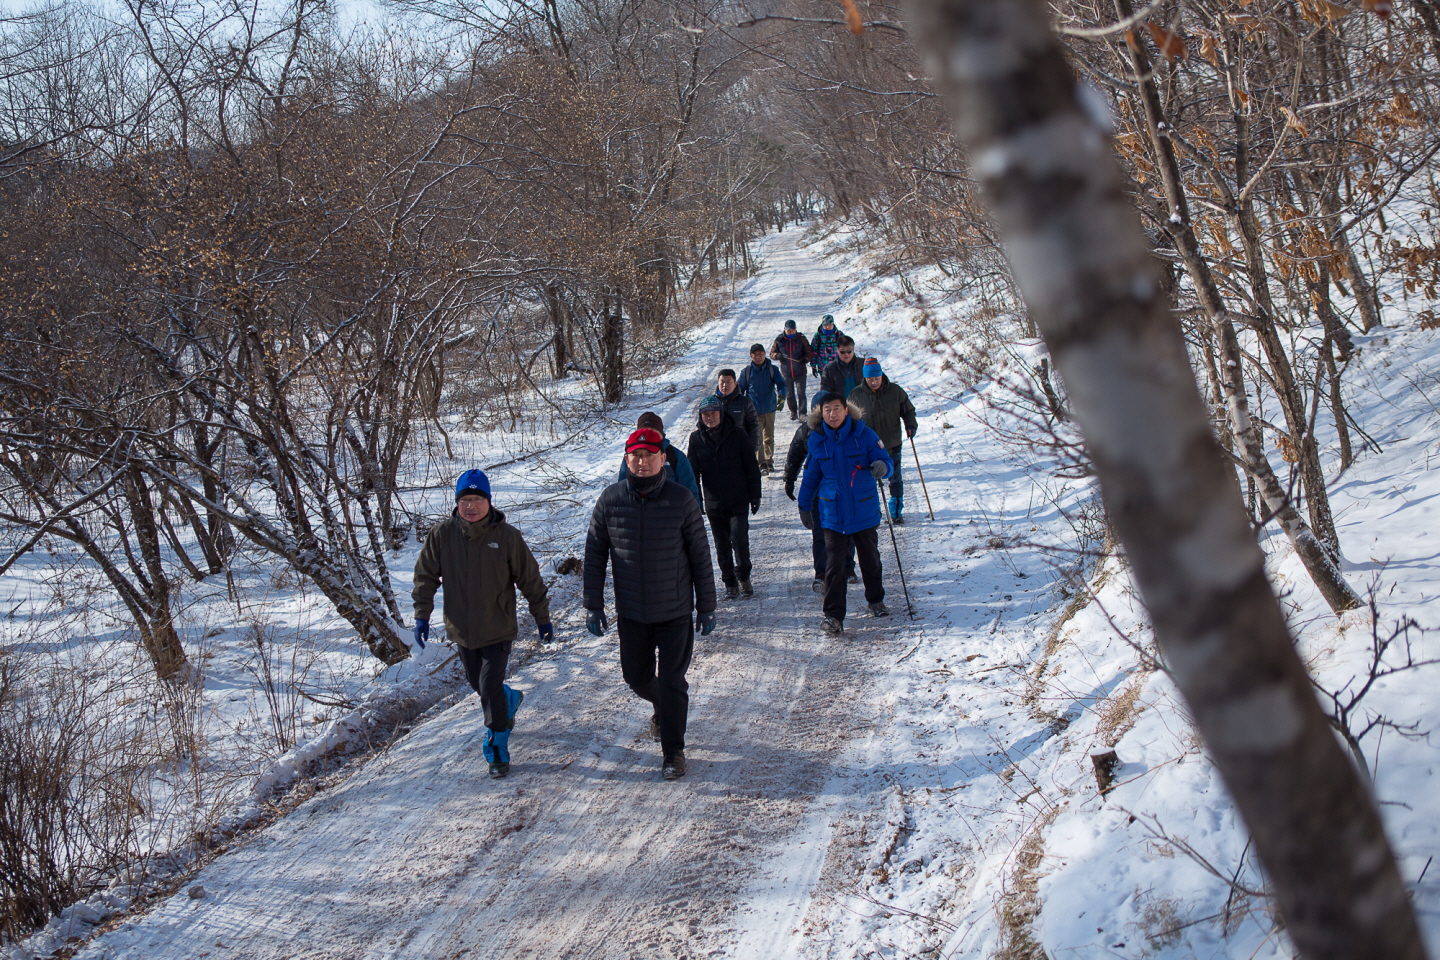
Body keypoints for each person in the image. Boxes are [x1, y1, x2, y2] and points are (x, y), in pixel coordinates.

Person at [583, 427, 717, 781]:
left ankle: (673, 752)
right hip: (632, 612)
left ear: (662, 458)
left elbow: (701, 556)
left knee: (673, 681)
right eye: (635, 456)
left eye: (649, 455)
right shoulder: (610, 501)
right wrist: (593, 604)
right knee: (637, 677)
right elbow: (595, 554)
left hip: (673, 611)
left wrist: (706, 605)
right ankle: (662, 705)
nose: (642, 462)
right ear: (627, 459)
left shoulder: (681, 500)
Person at [413, 469, 553, 779]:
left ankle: (497, 746)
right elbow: (425, 576)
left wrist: (542, 618)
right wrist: (422, 615)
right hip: (462, 630)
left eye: (477, 499)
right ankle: (510, 698)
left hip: (498, 627)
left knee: (488, 685)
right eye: (465, 500)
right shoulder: (442, 535)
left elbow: (529, 579)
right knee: (480, 686)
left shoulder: (507, 537)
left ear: (489, 502)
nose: (471, 506)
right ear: (457, 503)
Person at [796, 393, 894, 634]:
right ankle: (833, 616)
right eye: (827, 410)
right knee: (834, 566)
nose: (832, 414)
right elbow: (810, 477)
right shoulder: (818, 441)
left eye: (837, 409)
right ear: (822, 413)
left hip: (863, 509)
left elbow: (885, 460)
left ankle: (875, 600)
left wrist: (883, 467)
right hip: (833, 513)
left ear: (846, 411)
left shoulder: (865, 435)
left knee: (870, 559)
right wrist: (804, 505)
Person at [688, 395, 762, 599]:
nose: (709, 418)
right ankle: (729, 582)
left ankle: (744, 577)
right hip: (714, 502)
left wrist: (755, 494)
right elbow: (692, 473)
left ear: (721, 413)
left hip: (738, 499)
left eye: (713, 413)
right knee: (721, 545)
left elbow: (751, 467)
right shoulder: (696, 439)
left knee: (739, 540)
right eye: (705, 415)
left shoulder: (738, 434)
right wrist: (696, 501)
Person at [783, 397, 856, 593]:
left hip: (842, 492)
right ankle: (822, 573)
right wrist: (789, 480)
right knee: (819, 534)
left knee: (847, 530)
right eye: (825, 409)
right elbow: (794, 455)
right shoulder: (807, 431)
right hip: (817, 494)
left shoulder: (848, 431)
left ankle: (848, 567)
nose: (829, 414)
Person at [847, 358, 919, 524]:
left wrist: (910, 425)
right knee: (870, 480)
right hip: (867, 447)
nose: (873, 382)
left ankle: (895, 510)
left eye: (876, 378)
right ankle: (874, 511)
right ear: (865, 378)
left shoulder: (895, 391)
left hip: (892, 443)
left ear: (881, 375)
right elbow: (849, 419)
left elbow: (908, 410)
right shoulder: (856, 395)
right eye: (870, 379)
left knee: (895, 477)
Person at [616, 411, 700, 501]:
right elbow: (622, 489)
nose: (649, 437)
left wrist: (693, 513)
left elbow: (690, 491)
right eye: (645, 432)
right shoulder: (632, 458)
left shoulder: (676, 456)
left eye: (654, 433)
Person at [737, 343, 787, 474]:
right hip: (753, 411)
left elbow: (781, 384)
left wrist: (782, 396)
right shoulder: (747, 372)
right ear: (751, 356)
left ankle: (769, 461)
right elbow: (740, 390)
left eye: (760, 354)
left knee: (769, 437)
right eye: (755, 355)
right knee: (757, 438)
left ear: (765, 354)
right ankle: (762, 463)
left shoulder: (772, 370)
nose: (758, 357)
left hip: (770, 409)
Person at [771, 320, 814, 422]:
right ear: (784, 329)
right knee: (789, 394)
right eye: (789, 330)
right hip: (786, 373)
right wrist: (777, 355)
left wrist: (805, 359)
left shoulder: (801, 339)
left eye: (793, 330)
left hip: (800, 371)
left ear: (796, 329)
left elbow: (809, 352)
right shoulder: (779, 340)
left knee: (801, 393)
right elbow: (772, 353)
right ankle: (793, 411)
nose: (791, 332)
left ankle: (803, 413)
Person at [715, 368, 760, 459]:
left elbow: (754, 425)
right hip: (717, 449)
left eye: (729, 382)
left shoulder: (745, 402)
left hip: (740, 448)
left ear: (735, 384)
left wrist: (753, 448)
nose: (725, 385)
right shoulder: (712, 402)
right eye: (722, 382)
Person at [820, 336, 866, 400]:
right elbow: (825, 392)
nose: (846, 354)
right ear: (837, 350)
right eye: (842, 352)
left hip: (862, 406)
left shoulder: (864, 364)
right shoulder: (829, 369)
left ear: (853, 349)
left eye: (849, 351)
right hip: (841, 407)